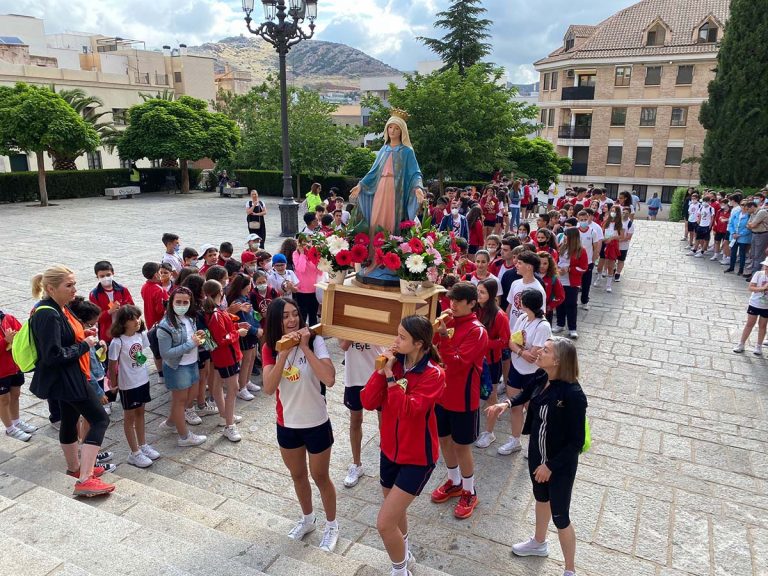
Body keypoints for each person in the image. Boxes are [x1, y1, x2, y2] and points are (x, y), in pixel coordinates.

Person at [486, 338, 587, 576]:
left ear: (558, 360)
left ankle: (570, 570)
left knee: (561, 516)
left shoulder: (573, 394)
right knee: (541, 499)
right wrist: (505, 404)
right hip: (536, 456)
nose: (539, 351)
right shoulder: (542, 377)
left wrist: (550, 466)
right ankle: (538, 543)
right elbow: (525, 393)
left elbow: (576, 442)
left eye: (546, 350)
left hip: (559, 466)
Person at [360, 316, 445, 576]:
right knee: (395, 513)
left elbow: (408, 410)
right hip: (389, 451)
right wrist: (381, 371)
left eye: (402, 337)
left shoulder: (434, 374)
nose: (395, 341)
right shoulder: (395, 364)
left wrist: (389, 379)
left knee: (385, 523)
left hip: (417, 457)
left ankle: (400, 571)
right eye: (396, 334)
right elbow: (368, 401)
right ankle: (404, 551)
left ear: (418, 343)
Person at [29, 266, 115, 497]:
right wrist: (84, 345)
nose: (74, 289)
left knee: (69, 419)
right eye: (69, 285)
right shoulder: (48, 314)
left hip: (67, 376)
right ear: (50, 288)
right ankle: (86, 478)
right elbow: (53, 355)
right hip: (68, 377)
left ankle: (74, 468)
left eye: (74, 284)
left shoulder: (60, 307)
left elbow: (63, 338)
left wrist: (83, 336)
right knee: (100, 419)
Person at [262, 297, 339, 552]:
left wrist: (305, 347)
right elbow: (269, 388)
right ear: (276, 320)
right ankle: (308, 519)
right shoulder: (270, 347)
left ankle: (332, 525)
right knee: (298, 475)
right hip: (288, 423)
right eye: (285, 316)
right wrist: (283, 354)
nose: (292, 320)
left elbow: (329, 379)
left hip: (316, 421)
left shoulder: (315, 341)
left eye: (295, 314)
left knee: (321, 476)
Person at [431, 282, 488, 520]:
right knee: (444, 439)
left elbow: (457, 362)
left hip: (463, 398)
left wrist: (444, 336)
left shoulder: (477, 331)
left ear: (472, 304)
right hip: (442, 394)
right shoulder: (450, 320)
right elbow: (433, 349)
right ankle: (454, 481)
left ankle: (469, 490)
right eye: (451, 300)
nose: (452, 304)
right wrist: (437, 331)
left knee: (461, 446)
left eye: (458, 301)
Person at [349, 111, 425, 238]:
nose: (392, 131)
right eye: (390, 127)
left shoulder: (407, 151)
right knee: (376, 218)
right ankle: (373, 248)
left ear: (402, 131)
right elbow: (373, 172)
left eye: (396, 128)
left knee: (392, 219)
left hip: (396, 190)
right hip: (380, 187)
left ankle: (390, 246)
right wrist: (360, 185)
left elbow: (415, 173)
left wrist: (418, 188)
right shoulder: (383, 149)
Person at [499, 289, 551, 456]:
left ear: (527, 304)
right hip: (516, 368)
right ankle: (515, 440)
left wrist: (518, 350)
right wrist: (521, 351)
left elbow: (533, 356)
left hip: (533, 373)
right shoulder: (522, 318)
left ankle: (535, 443)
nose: (518, 303)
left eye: (521, 300)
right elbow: (511, 341)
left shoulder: (543, 326)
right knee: (515, 405)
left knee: (533, 409)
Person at [108, 305, 159, 468]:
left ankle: (143, 445)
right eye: (133, 319)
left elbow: (140, 355)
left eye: (138, 317)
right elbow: (112, 364)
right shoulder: (117, 342)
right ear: (123, 322)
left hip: (142, 380)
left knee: (141, 413)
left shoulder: (140, 335)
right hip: (128, 384)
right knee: (129, 417)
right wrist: (113, 383)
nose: (137, 321)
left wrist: (140, 362)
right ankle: (134, 452)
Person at [156, 287, 208, 447]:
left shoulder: (189, 318)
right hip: (177, 367)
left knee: (189, 397)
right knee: (180, 401)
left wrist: (199, 336)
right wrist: (191, 344)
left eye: (185, 302)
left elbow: (192, 338)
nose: (182, 305)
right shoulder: (165, 326)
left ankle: (171, 422)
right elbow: (166, 353)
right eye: (178, 302)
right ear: (171, 302)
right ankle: (184, 437)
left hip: (192, 363)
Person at [201, 279, 249, 442]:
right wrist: (237, 333)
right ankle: (229, 425)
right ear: (220, 292)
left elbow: (221, 332)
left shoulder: (213, 311)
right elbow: (222, 339)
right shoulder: (215, 313)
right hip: (227, 356)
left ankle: (225, 415)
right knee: (232, 389)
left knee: (217, 385)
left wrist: (235, 327)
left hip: (221, 355)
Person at [339, 339, 386, 488]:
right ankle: (356, 464)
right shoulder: (346, 324)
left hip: (377, 372)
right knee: (355, 420)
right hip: (354, 376)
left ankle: (386, 464)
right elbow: (343, 345)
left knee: (384, 423)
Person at [473, 279, 510, 449]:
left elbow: (505, 341)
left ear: (492, 294)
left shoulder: (499, 315)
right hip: (475, 359)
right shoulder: (474, 308)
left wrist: (484, 342)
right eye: (477, 291)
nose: (478, 294)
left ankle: (489, 432)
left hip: (491, 362)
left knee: (491, 396)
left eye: (482, 292)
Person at [0, 308, 35, 442]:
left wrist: (19, 337)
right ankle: (10, 428)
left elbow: (22, 334)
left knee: (15, 394)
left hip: (15, 366)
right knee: (3, 399)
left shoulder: (8, 318)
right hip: (1, 370)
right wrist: (6, 341)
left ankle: (16, 422)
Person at [226, 274, 262, 401]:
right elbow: (243, 321)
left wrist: (258, 327)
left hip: (252, 333)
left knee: (251, 358)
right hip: (246, 334)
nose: (251, 287)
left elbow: (252, 316)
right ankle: (241, 388)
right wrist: (255, 330)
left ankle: (247, 381)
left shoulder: (245, 298)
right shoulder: (237, 302)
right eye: (249, 284)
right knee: (246, 361)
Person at [89, 260, 134, 345]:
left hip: (124, 331)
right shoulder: (94, 295)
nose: (106, 278)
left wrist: (123, 309)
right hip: (107, 334)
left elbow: (132, 308)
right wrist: (110, 311)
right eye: (102, 276)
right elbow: (96, 318)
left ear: (113, 273)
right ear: (97, 277)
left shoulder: (122, 290)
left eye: (108, 275)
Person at [554, 228, 588, 339]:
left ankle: (572, 328)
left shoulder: (581, 251)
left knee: (571, 304)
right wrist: (557, 269)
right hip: (560, 280)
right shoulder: (561, 247)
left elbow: (583, 268)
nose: (564, 237)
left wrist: (569, 269)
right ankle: (560, 324)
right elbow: (556, 261)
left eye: (566, 235)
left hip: (572, 282)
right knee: (560, 303)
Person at [733, 258, 768, 356]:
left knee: (763, 325)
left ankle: (758, 346)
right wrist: (763, 288)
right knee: (750, 324)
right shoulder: (759, 274)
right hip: (755, 303)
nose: (766, 269)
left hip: (766, 306)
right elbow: (751, 288)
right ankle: (741, 344)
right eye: (766, 267)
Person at [507, 251, 547, 323]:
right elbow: (510, 306)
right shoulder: (515, 283)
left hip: (527, 328)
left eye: (519, 263)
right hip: (512, 328)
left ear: (529, 267)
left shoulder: (538, 289)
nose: (516, 265)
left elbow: (541, 314)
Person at [293, 236, 322, 326]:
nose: (306, 245)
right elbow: (300, 268)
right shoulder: (296, 254)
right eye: (304, 243)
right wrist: (302, 254)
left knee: (313, 316)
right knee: (302, 316)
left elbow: (320, 271)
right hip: (301, 291)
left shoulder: (315, 253)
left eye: (309, 242)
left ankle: (313, 334)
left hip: (314, 290)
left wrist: (318, 256)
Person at [576, 210, 602, 311]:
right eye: (581, 220)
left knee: (586, 283)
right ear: (578, 220)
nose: (583, 221)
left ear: (588, 219)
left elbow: (595, 247)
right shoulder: (575, 231)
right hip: (576, 261)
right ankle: (574, 300)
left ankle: (584, 301)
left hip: (588, 262)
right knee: (575, 283)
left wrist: (593, 260)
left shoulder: (592, 232)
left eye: (585, 219)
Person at [595, 206, 624, 293]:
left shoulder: (619, 225)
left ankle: (608, 285)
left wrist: (613, 238)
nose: (612, 212)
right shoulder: (606, 222)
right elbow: (601, 232)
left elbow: (622, 236)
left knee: (610, 266)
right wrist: (603, 239)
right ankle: (599, 278)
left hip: (613, 245)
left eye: (614, 211)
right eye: (611, 210)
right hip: (604, 243)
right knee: (599, 266)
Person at [725, 200, 754, 277]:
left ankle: (741, 270)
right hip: (734, 236)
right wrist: (733, 233)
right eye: (742, 204)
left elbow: (749, 227)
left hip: (743, 238)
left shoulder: (750, 216)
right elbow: (730, 224)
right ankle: (731, 267)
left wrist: (740, 234)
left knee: (742, 254)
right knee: (733, 252)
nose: (744, 206)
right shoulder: (736, 213)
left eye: (745, 205)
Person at [538, 251, 565, 326]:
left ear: (549, 264)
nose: (542, 266)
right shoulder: (531, 275)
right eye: (539, 263)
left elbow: (560, 296)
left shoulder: (553, 278)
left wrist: (550, 306)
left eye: (545, 263)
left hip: (546, 313)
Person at [615, 207, 635, 282]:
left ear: (629, 214)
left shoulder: (630, 224)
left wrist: (619, 240)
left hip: (623, 247)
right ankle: (613, 270)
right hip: (614, 245)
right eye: (623, 212)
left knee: (621, 260)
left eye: (627, 213)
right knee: (612, 259)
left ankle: (617, 274)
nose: (625, 214)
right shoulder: (617, 221)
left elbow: (628, 237)